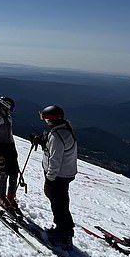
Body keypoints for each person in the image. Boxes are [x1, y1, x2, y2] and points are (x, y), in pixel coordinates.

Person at [31, 105, 78, 249]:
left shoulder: (57, 136)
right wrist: (44, 141)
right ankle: (64, 230)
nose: (45, 122)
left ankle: (63, 235)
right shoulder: (64, 130)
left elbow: (55, 160)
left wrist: (49, 181)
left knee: (58, 203)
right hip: (65, 174)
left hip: (58, 176)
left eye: (46, 120)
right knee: (61, 201)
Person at [0, 96, 19, 212]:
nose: (11, 111)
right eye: (10, 108)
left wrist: (13, 148)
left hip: (10, 148)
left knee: (14, 173)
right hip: (1, 149)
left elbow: (10, 134)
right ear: (5, 107)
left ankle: (11, 196)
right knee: (3, 173)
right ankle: (1, 195)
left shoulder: (8, 119)